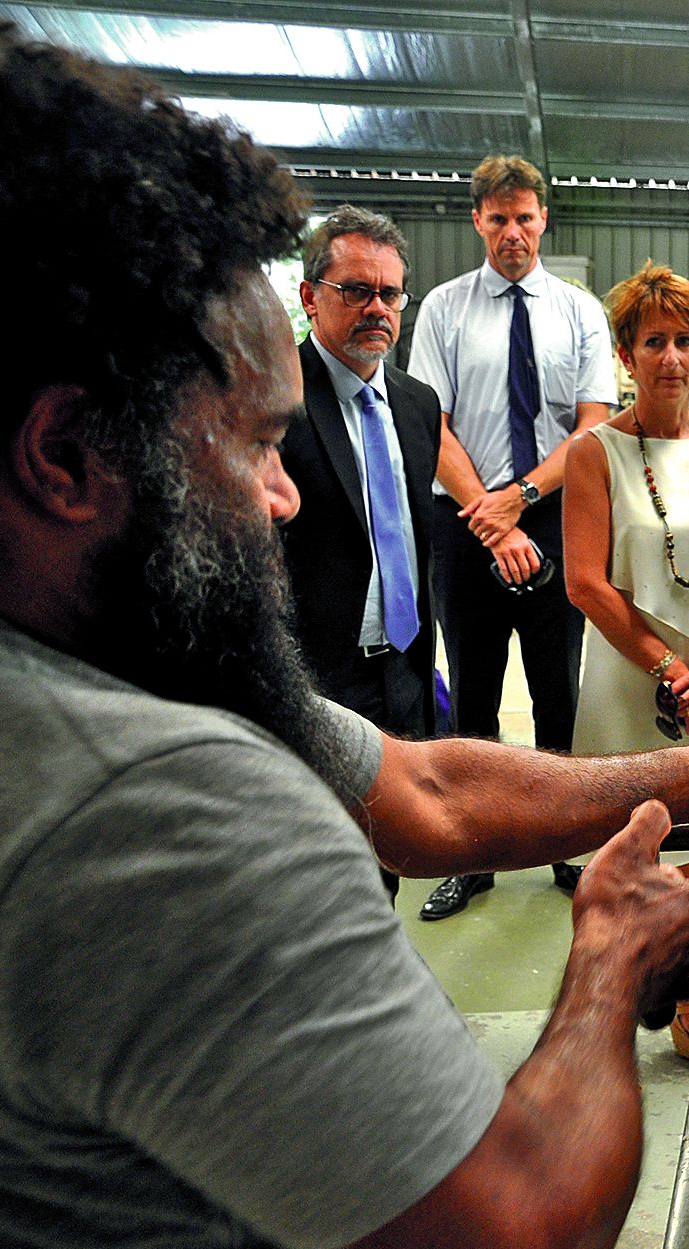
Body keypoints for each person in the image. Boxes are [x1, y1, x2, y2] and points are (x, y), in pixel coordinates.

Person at [0, 27, 689, 1249]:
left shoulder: (126, 657)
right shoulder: (153, 808)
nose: (281, 498)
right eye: (257, 445)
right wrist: (607, 958)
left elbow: (426, 785)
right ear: (68, 457)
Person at [565, 261, 689, 1059]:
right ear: (626, 353)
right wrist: (666, 668)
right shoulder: (595, 453)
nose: (673, 358)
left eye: (687, 340)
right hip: (630, 679)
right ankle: (639, 988)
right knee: (637, 841)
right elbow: (585, 582)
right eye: (654, 342)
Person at [409, 154, 620, 918]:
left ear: (543, 221)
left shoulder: (577, 311)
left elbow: (593, 423)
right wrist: (490, 519)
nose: (512, 233)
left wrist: (523, 497)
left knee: (557, 689)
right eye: (497, 219)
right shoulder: (443, 308)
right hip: (464, 521)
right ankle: (474, 855)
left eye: (524, 217)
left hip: (556, 513)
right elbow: (431, 423)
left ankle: (561, 845)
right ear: (477, 222)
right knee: (472, 692)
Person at [278, 206, 441, 902]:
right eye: (355, 290)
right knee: (316, 872)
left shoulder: (417, 403)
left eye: (389, 293)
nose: (377, 307)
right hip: (314, 677)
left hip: (401, 672)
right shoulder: (272, 397)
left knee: (387, 862)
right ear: (311, 295)